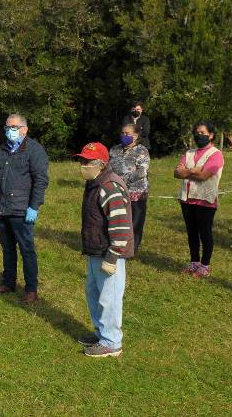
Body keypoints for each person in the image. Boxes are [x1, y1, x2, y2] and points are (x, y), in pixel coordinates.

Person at [75, 142, 134, 358]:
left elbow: (121, 226)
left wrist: (112, 256)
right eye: (81, 160)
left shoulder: (109, 186)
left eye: (87, 161)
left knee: (109, 298)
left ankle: (112, 342)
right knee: (94, 293)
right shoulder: (94, 183)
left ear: (100, 164)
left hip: (109, 254)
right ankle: (101, 333)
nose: (82, 165)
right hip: (95, 250)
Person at [0, 114, 50, 304]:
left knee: (26, 249)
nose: (9, 131)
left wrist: (34, 206)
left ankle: (31, 290)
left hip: (21, 210)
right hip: (2, 207)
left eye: (13, 127)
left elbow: (40, 180)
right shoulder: (1, 150)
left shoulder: (34, 150)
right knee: (7, 248)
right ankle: (8, 282)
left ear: (24, 129)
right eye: (7, 127)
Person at [173, 121, 224, 278]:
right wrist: (193, 170)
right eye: (197, 132)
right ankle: (194, 262)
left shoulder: (216, 154)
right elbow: (176, 173)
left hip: (205, 200)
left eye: (203, 133)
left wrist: (187, 171)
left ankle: (205, 265)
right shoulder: (189, 153)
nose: (199, 135)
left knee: (205, 233)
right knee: (191, 233)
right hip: (187, 200)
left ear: (211, 135)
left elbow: (204, 175)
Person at [108, 122, 150, 253]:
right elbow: (108, 167)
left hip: (136, 194)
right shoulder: (114, 149)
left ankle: (131, 250)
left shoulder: (142, 151)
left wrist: (122, 180)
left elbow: (142, 171)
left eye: (127, 134)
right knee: (118, 220)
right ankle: (115, 245)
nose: (124, 136)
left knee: (135, 223)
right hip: (116, 191)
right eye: (122, 133)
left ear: (136, 136)